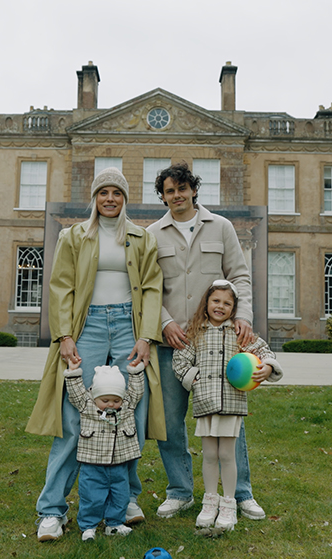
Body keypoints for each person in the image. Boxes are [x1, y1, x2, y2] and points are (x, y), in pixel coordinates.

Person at [26, 167, 165, 542]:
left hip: (128, 326)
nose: (110, 198)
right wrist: (65, 334)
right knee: (75, 417)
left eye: (117, 193)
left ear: (125, 198)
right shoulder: (73, 236)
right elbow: (60, 286)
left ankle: (125, 499)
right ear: (94, 197)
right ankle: (52, 510)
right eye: (103, 192)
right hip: (86, 326)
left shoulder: (141, 238)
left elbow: (152, 287)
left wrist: (146, 336)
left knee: (130, 413)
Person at [146, 161, 266, 521]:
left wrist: (243, 317)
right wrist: (165, 322)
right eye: (169, 191)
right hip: (172, 344)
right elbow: (148, 288)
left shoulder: (222, 227)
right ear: (162, 196)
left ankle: (240, 493)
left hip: (218, 344)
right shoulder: (152, 234)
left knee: (229, 416)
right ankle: (180, 492)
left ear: (194, 190)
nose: (177, 196)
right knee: (170, 422)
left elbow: (239, 276)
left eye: (182, 189)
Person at [173, 280, 283, 530]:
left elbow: (264, 351)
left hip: (231, 403)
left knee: (226, 455)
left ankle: (229, 504)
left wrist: (267, 367)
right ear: (206, 303)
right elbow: (180, 361)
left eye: (227, 303)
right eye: (216, 301)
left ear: (233, 308)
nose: (220, 306)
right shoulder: (195, 332)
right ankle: (210, 501)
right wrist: (194, 378)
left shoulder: (238, 332)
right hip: (205, 402)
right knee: (210, 455)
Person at [63, 358, 147, 541]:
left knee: (120, 496)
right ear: (95, 396)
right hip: (92, 465)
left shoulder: (126, 407)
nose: (111, 404)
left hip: (119, 464)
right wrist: (73, 373)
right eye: (105, 400)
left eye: (116, 400)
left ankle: (114, 524)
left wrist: (135, 372)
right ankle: (88, 526)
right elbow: (76, 393)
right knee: (91, 496)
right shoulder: (87, 406)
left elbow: (136, 391)